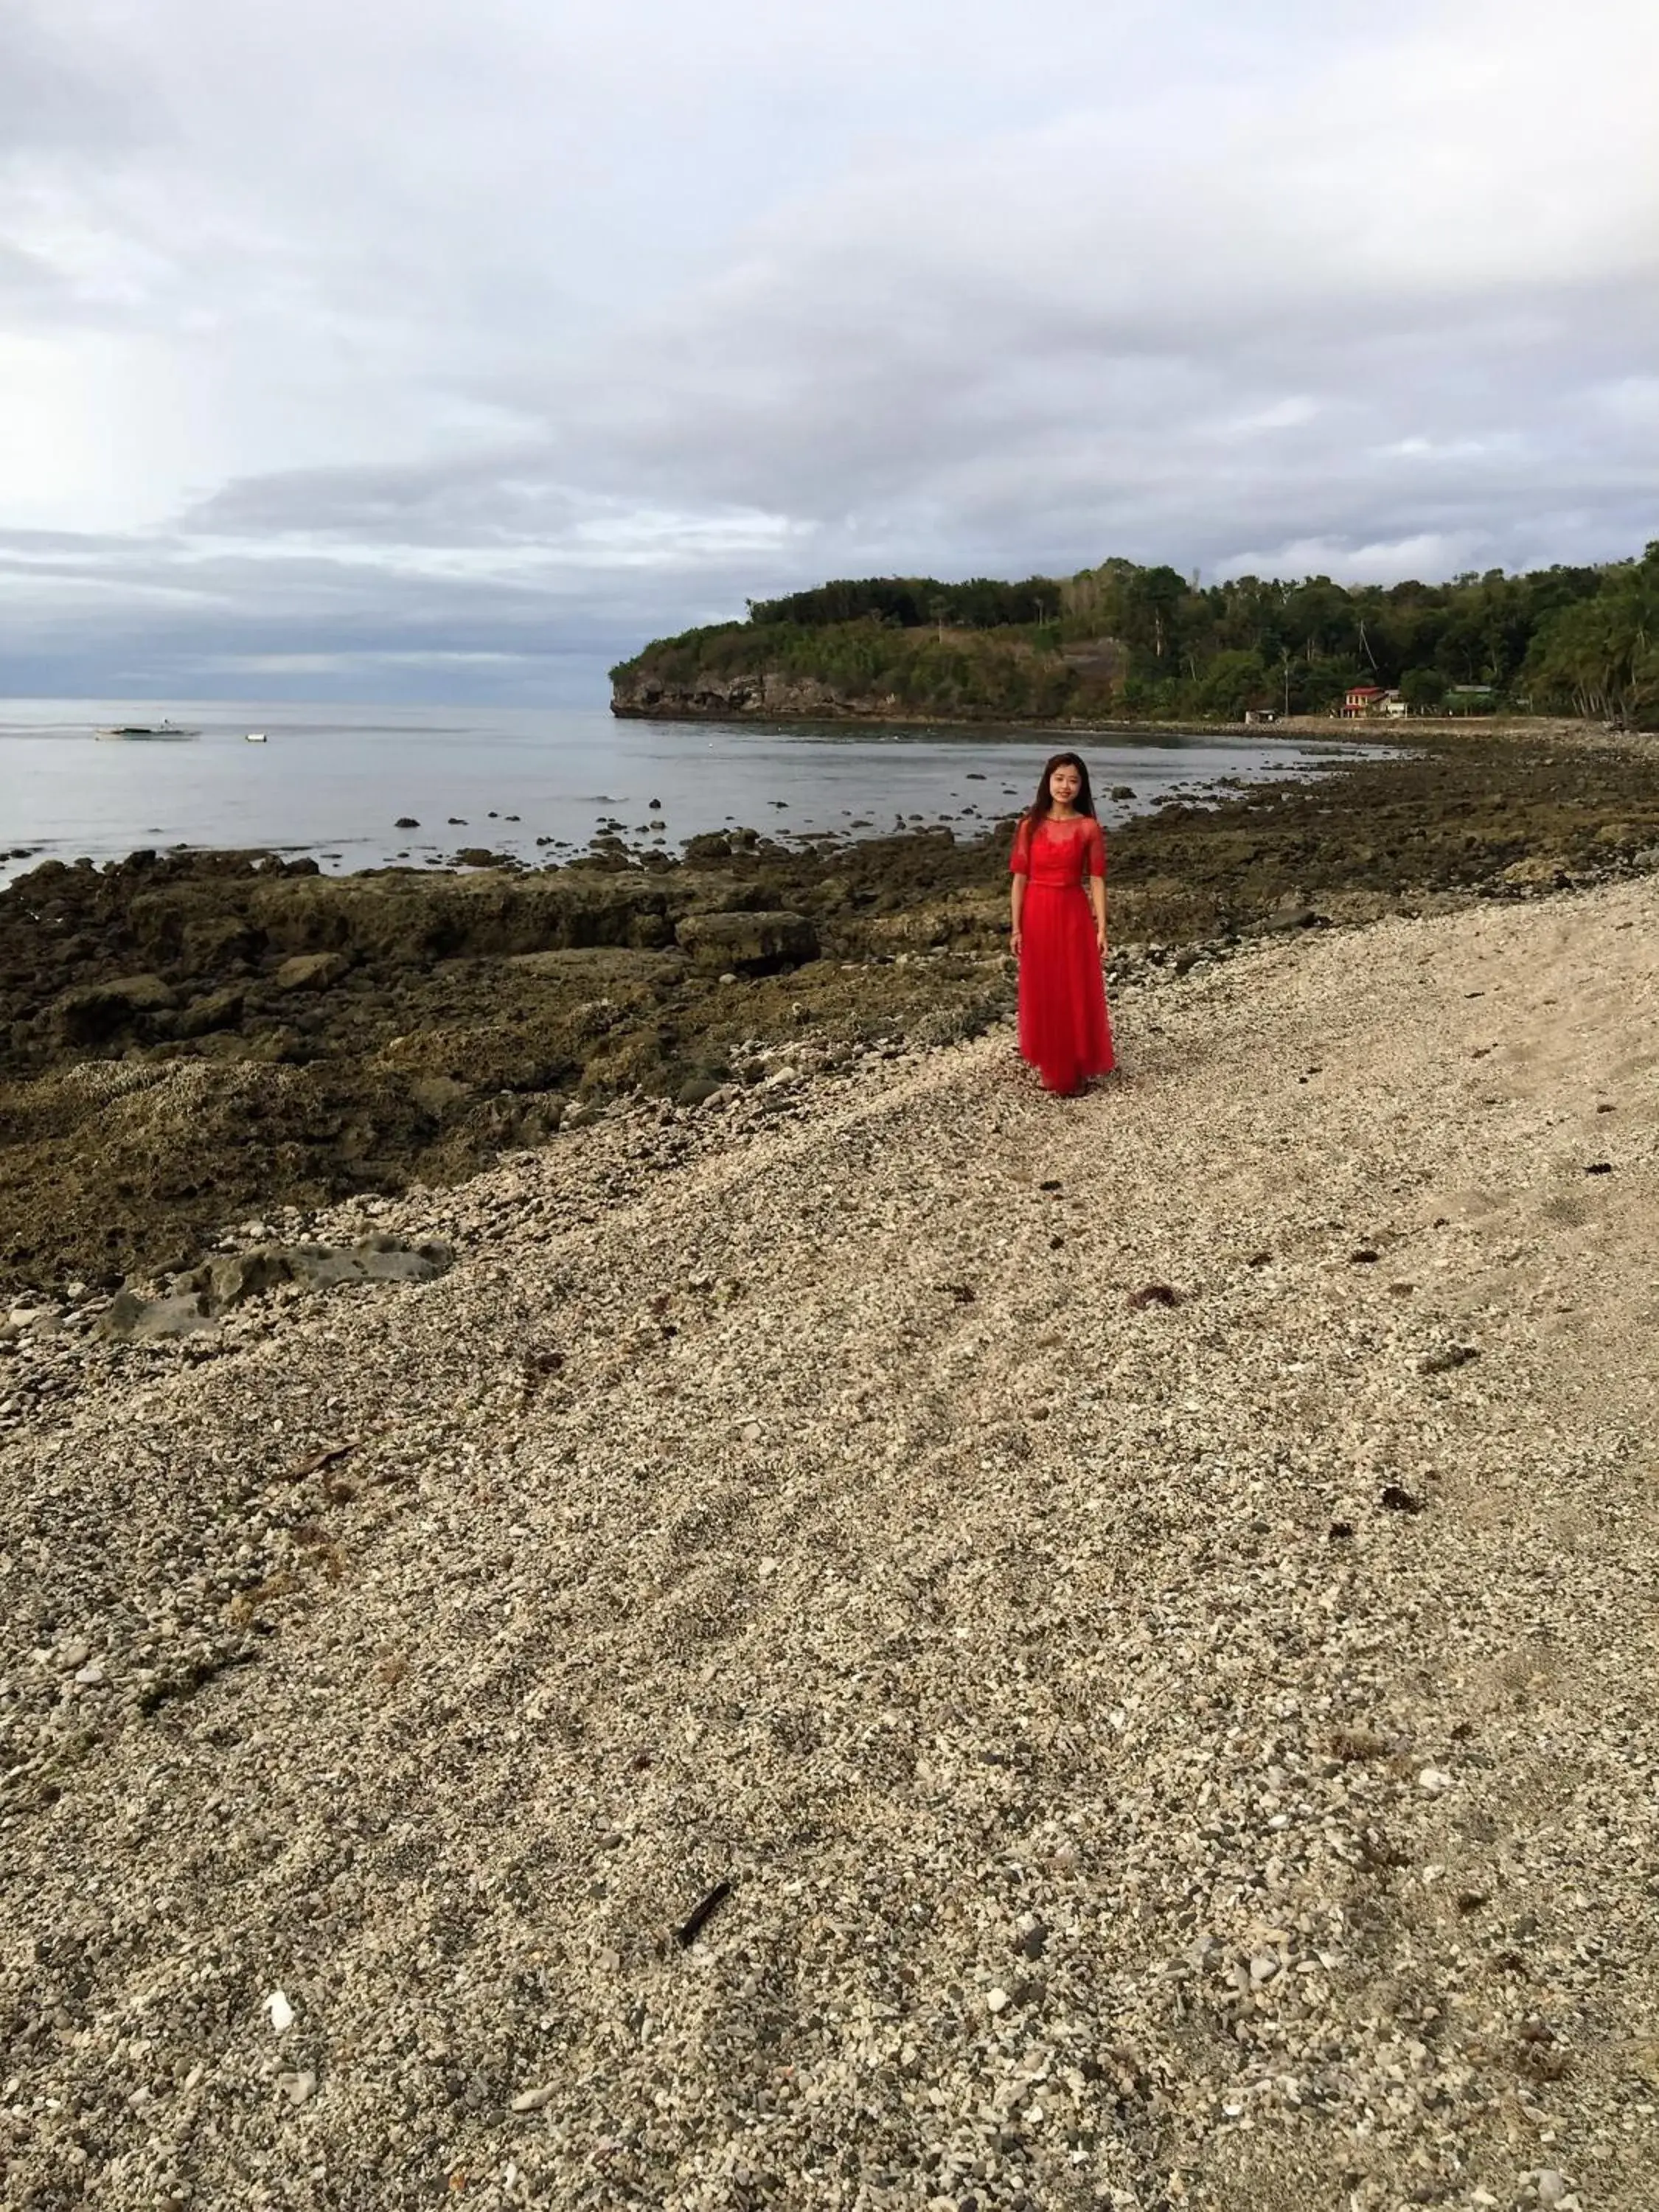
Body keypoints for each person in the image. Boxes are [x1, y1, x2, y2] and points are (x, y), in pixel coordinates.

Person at [1009, 751, 1115, 1094]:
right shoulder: (1030, 825)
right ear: (1047, 781)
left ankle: (1074, 1064)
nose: (1065, 786)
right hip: (1037, 912)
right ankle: (1050, 1060)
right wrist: (1016, 927)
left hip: (1072, 911)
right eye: (1059, 779)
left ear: (1081, 786)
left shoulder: (1088, 827)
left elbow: (1097, 879)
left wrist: (1102, 927)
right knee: (1043, 986)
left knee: (1073, 987)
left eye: (1073, 780)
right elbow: (1019, 879)